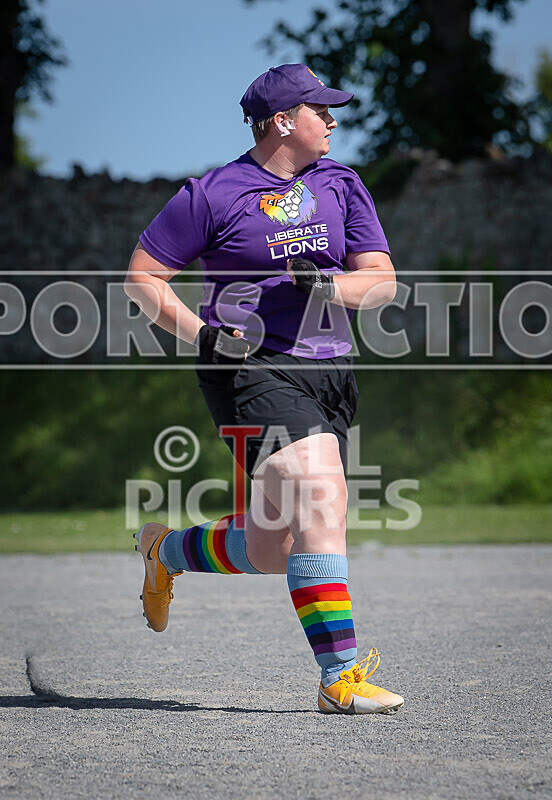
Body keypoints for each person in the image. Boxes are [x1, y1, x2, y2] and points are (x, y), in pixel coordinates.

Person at [125, 64, 403, 714]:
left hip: (330, 370)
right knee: (321, 494)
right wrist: (203, 335)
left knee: (274, 548)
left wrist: (330, 287)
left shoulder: (342, 184)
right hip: (245, 365)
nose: (333, 121)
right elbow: (143, 277)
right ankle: (340, 680)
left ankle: (164, 550)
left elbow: (382, 280)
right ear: (282, 121)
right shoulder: (212, 194)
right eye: (320, 111)